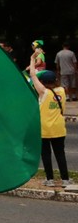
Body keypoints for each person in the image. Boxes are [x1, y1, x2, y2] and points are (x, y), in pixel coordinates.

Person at [29, 53, 75, 191]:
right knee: (60, 154)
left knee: (46, 154)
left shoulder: (44, 92)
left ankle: (49, 179)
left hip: (44, 129)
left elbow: (32, 75)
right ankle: (65, 179)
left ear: (43, 82)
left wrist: (32, 59)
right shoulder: (62, 90)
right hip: (59, 128)